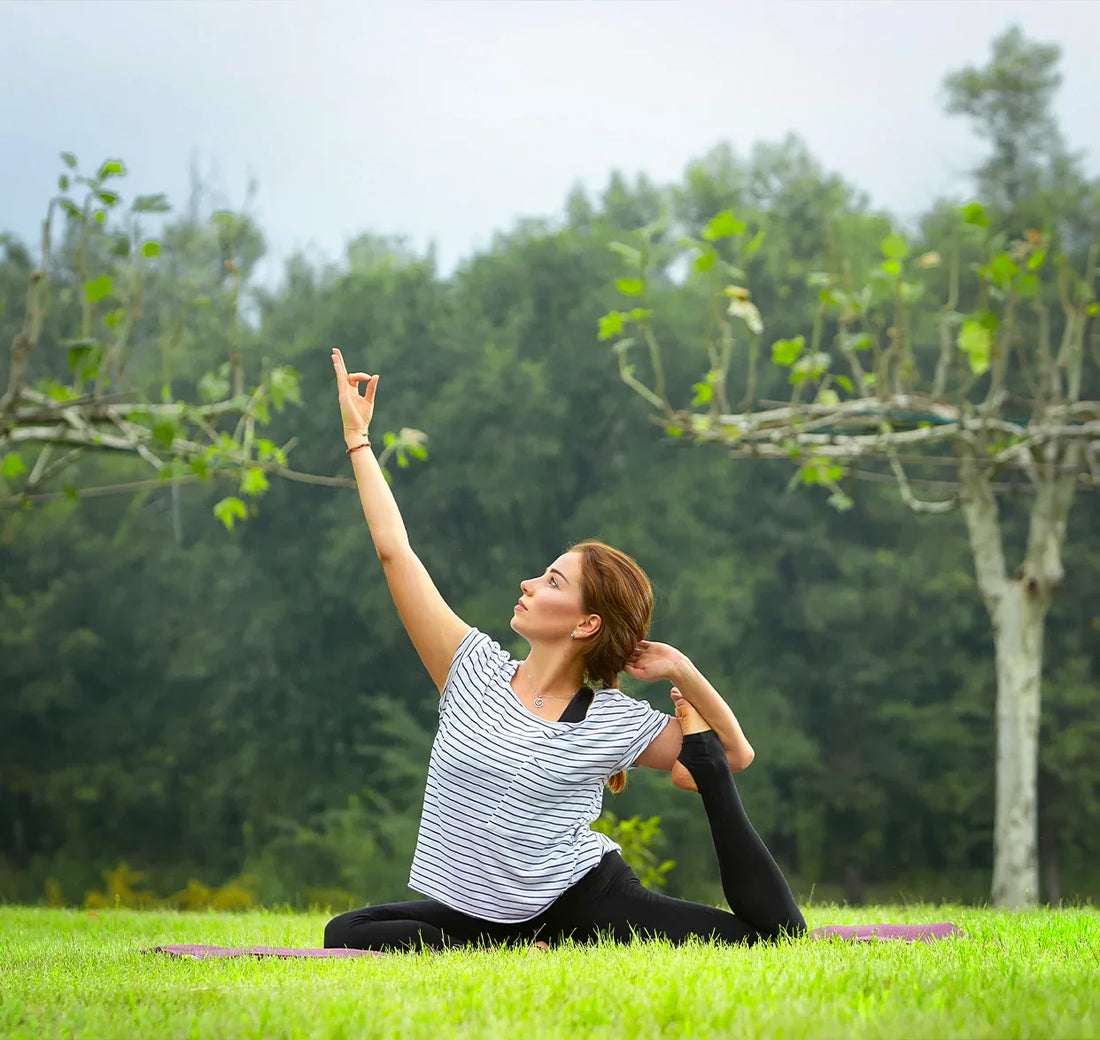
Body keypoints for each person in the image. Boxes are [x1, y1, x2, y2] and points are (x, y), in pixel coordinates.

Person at [323, 348, 806, 951]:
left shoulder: (611, 718)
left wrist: (683, 668)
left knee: (771, 936)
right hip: (481, 913)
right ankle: (517, 947)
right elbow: (396, 553)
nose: (528, 583)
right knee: (346, 931)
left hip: (591, 903)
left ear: (585, 625)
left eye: (553, 582)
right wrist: (358, 442)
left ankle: (535, 944)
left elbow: (733, 756)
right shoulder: (469, 668)